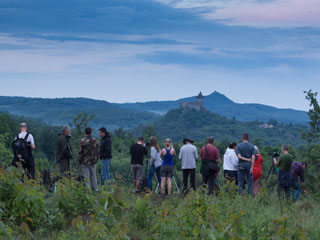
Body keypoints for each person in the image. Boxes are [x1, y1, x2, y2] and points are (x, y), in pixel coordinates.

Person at [78, 127, 99, 193]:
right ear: (91, 132)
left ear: (85, 132)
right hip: (93, 161)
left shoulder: (82, 141)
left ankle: (88, 192)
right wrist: (96, 159)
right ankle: (95, 190)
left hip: (85, 161)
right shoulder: (95, 141)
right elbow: (98, 151)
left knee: (86, 177)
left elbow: (80, 152)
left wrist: (79, 160)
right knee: (93, 176)